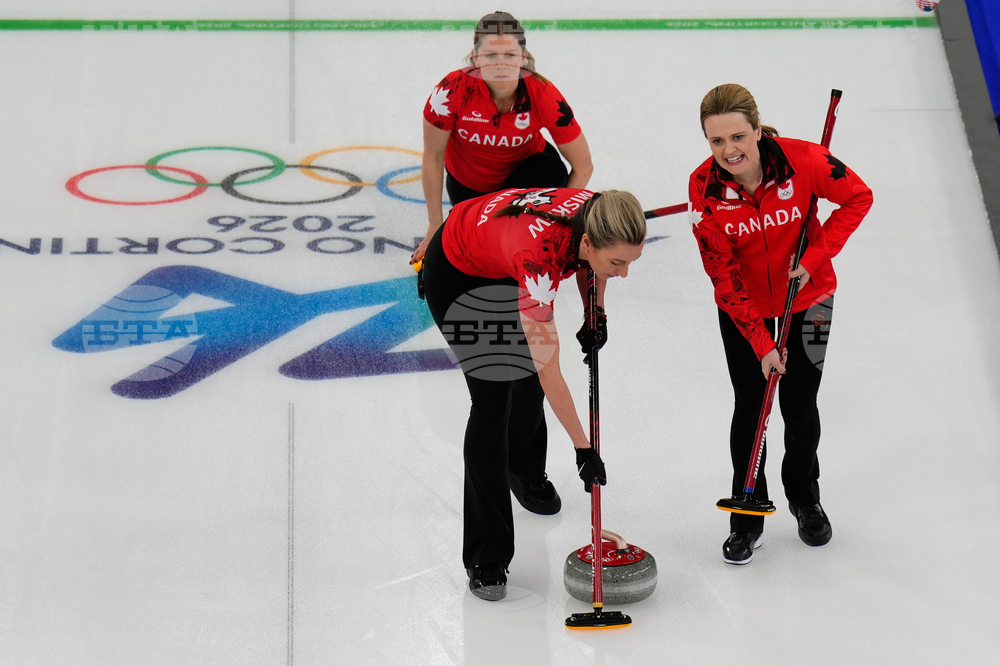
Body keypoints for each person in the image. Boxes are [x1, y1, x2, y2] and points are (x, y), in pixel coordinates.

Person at [421, 186, 645, 599]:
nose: (624, 273)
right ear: (588, 242)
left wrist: (595, 311)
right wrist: (583, 448)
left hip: (502, 259)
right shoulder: (540, 258)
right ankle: (486, 555)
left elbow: (592, 265)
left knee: (523, 373)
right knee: (493, 399)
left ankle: (522, 470)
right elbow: (550, 370)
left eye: (631, 261)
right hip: (459, 277)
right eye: (618, 263)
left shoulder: (600, 211)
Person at [688, 84, 873, 565]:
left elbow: (858, 197)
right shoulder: (704, 187)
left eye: (738, 136)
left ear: (757, 128)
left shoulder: (804, 160)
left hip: (810, 301)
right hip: (745, 308)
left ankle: (805, 497)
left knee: (799, 403)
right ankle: (746, 512)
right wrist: (762, 342)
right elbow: (721, 275)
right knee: (751, 408)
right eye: (716, 141)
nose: (729, 150)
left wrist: (815, 256)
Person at [411, 11, 593, 266]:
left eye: (509, 55)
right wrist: (434, 225)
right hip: (470, 188)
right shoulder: (450, 92)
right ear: (475, 57)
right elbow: (433, 157)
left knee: (550, 169)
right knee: (478, 247)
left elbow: (583, 166)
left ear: (523, 57)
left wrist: (561, 222)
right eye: (490, 56)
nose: (501, 65)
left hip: (526, 181)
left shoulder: (543, 95)